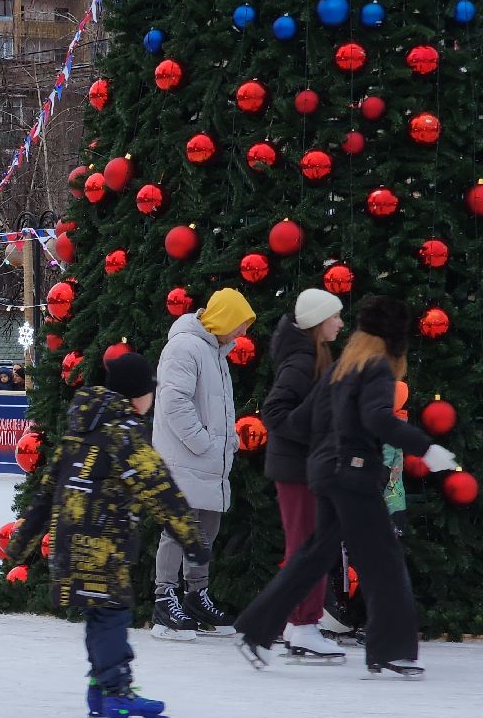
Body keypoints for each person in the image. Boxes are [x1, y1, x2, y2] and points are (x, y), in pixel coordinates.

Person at [234, 295, 455, 677]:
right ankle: (392, 650)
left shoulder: (342, 366)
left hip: (326, 474)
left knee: (314, 554)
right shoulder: (376, 367)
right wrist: (426, 448)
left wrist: (322, 453)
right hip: (353, 475)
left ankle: (254, 631)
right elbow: (378, 418)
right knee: (383, 558)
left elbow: (302, 420)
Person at [7, 353, 208, 718]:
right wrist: (192, 540)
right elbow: (160, 489)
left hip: (69, 544)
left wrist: (22, 540)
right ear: (139, 395)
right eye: (150, 391)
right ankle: (118, 694)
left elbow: (47, 490)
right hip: (102, 547)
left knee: (99, 615)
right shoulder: (124, 431)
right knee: (112, 614)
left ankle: (100, 687)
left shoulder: (80, 428)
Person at [150, 286, 256, 641]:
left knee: (206, 528)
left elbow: (217, 407)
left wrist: (227, 443)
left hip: (208, 459)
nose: (243, 332)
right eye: (240, 323)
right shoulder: (185, 347)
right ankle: (164, 599)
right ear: (224, 319)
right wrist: (203, 442)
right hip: (185, 456)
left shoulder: (215, 353)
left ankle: (196, 596)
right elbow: (173, 401)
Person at [260, 288, 346, 661]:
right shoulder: (301, 361)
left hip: (306, 467)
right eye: (334, 317)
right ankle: (302, 624)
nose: (340, 323)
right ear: (317, 322)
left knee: (310, 544)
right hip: (298, 469)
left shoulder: (315, 355)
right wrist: (317, 435)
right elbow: (274, 412)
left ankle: (300, 623)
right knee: (307, 546)